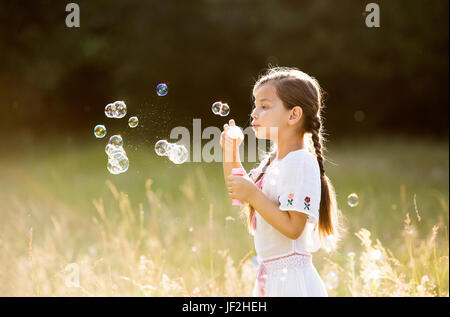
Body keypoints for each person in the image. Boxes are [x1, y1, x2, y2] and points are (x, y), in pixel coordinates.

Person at [221, 66, 343, 297]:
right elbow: (238, 190)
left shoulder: (300, 163)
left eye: (265, 106)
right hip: (272, 278)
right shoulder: (274, 162)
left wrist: (252, 194)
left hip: (293, 284)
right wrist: (230, 152)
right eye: (255, 105)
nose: (254, 113)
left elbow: (293, 228)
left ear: (293, 115)